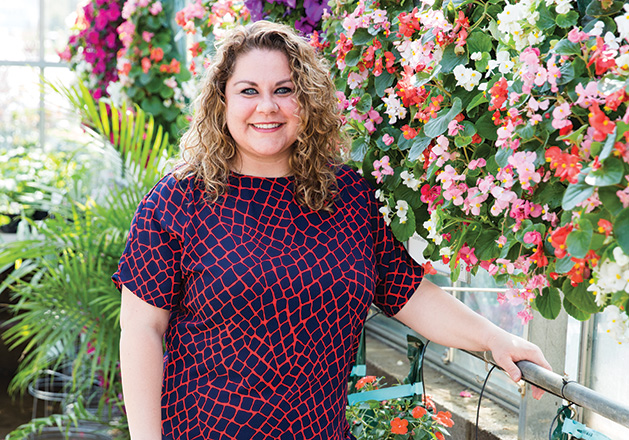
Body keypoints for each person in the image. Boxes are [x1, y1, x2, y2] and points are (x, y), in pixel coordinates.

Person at [114, 20, 551, 440]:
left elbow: (408, 292)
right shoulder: (179, 201)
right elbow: (141, 331)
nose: (267, 106)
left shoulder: (345, 197)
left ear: (306, 101)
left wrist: (495, 337)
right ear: (222, 102)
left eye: (284, 91)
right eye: (249, 91)